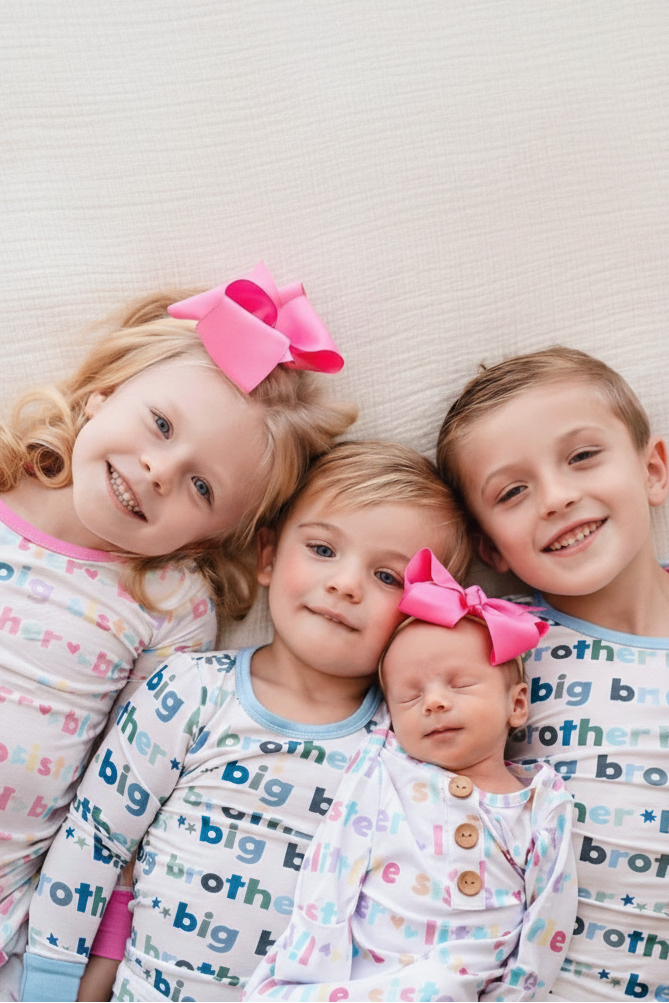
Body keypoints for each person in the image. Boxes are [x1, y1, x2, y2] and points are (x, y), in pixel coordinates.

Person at [0, 262, 355, 997]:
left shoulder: (169, 606)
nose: (159, 470)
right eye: (160, 424)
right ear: (103, 393)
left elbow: (130, 798)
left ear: (210, 537)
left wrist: (93, 966)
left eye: (202, 487)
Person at [19, 440, 470, 1002]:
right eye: (323, 549)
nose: (347, 583)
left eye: (388, 578)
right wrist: (53, 986)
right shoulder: (188, 692)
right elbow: (95, 842)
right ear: (268, 556)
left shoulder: (408, 745)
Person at [436, 346, 669, 1002]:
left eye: (581, 456)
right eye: (511, 492)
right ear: (489, 549)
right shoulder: (492, 644)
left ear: (653, 470)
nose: (557, 497)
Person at [245, 548, 577, 1002]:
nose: (433, 703)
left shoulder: (541, 804)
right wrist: (308, 969)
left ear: (517, 705)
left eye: (459, 684)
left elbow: (548, 918)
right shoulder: (386, 770)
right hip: (364, 983)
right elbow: (333, 861)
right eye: (409, 697)